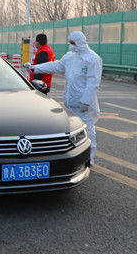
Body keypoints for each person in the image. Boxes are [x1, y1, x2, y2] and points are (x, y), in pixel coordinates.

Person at [24, 31, 102, 163]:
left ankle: (89, 157)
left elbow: (93, 83)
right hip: (71, 102)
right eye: (70, 42)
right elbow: (55, 65)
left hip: (84, 104)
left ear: (80, 42)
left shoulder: (92, 59)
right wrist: (34, 68)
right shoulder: (70, 57)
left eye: (73, 43)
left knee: (88, 129)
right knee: (73, 132)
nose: (70, 45)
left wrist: (86, 101)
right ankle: (74, 157)